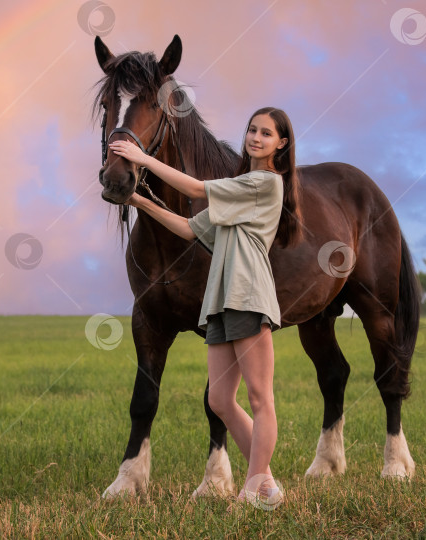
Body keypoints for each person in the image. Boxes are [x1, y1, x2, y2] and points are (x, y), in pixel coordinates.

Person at [109, 106, 299, 510]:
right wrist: (140, 201)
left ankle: (252, 490)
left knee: (260, 397)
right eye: (251, 129)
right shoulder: (239, 191)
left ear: (281, 144)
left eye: (266, 134)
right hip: (219, 303)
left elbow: (196, 190)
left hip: (247, 295)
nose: (255, 138)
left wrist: (142, 159)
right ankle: (265, 482)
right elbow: (188, 226)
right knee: (220, 401)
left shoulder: (265, 183)